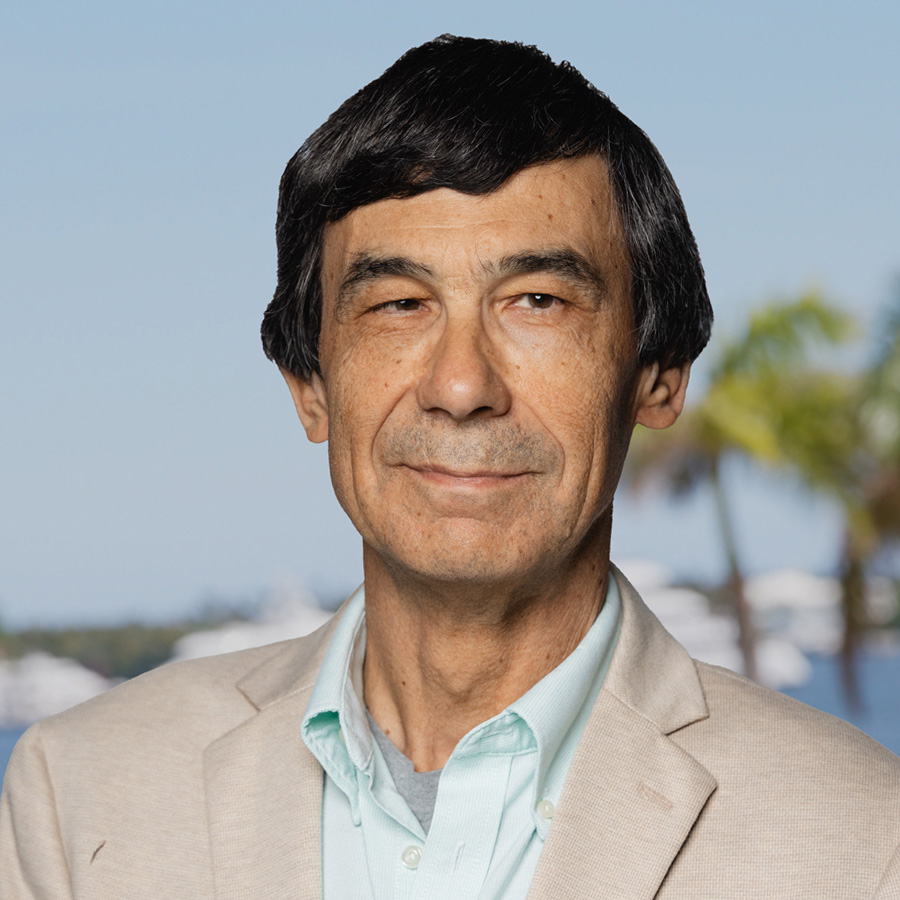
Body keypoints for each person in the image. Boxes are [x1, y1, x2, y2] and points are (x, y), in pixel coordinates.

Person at [2, 34, 898, 900]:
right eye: (398, 304)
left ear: (657, 375)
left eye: (537, 300)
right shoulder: (76, 796)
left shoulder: (864, 842)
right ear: (309, 386)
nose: (461, 386)